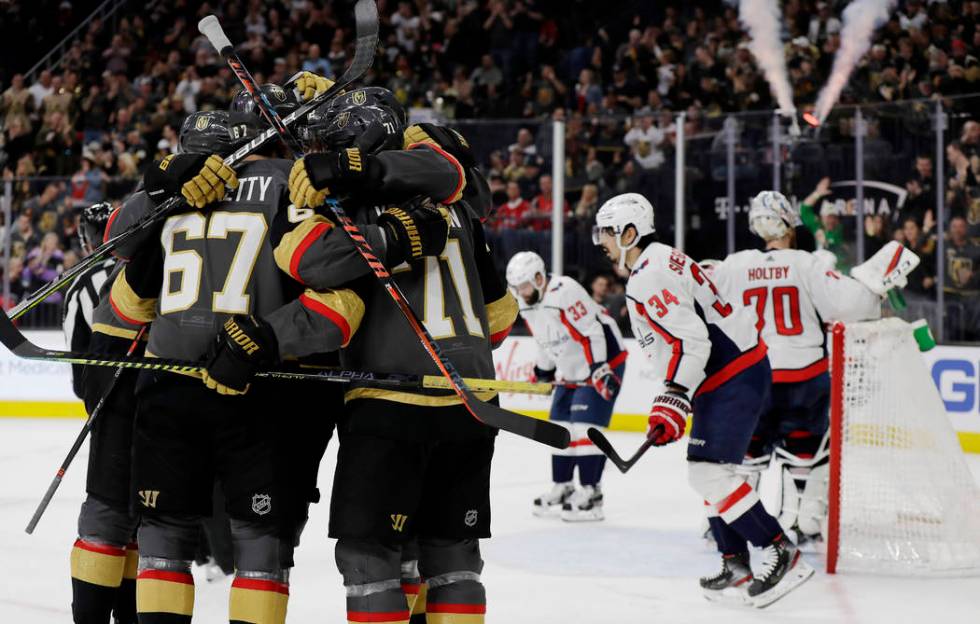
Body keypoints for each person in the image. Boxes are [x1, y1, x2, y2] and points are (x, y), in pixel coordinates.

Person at [107, 97, 360, 624]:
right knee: (261, 545)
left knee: (163, 539)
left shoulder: (179, 188)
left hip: (168, 381)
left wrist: (159, 180)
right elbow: (334, 283)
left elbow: (123, 270)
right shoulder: (290, 180)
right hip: (257, 384)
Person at [286, 95, 517, 624]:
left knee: (371, 560)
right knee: (454, 563)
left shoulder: (352, 204)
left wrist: (382, 237)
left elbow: (310, 262)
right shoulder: (458, 205)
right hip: (472, 406)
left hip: (391, 406)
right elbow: (500, 321)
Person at [592, 192, 811, 608]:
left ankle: (782, 551)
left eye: (607, 231)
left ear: (630, 232)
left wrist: (673, 395)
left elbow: (691, 342)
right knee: (706, 471)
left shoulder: (648, 274)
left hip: (732, 374)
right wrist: (677, 392)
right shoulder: (659, 258)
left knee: (710, 473)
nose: (600, 240)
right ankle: (736, 563)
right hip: (728, 374)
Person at [711, 191, 918, 549]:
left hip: (752, 377)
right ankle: (801, 525)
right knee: (805, 456)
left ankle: (733, 525)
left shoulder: (735, 264)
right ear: (790, 224)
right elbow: (851, 305)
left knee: (746, 458)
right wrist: (875, 289)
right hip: (802, 377)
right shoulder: (807, 264)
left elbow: (704, 298)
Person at [63, 202, 143, 624]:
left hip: (111, 407)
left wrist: (95, 403)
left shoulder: (81, 286)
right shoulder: (147, 264)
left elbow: (81, 369)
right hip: (159, 402)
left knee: (110, 514)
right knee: (147, 521)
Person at [506, 251, 626, 521]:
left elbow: (592, 331)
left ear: (538, 278)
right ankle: (564, 487)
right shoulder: (526, 302)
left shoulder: (564, 290)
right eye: (516, 288)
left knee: (585, 427)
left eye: (524, 286)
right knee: (560, 427)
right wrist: (544, 370)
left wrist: (598, 368)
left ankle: (591, 496)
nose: (521, 292)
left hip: (604, 360)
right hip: (573, 368)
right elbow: (545, 340)